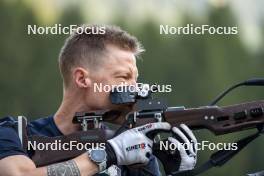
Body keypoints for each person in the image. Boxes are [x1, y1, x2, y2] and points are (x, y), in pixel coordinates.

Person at [0, 25, 197, 176]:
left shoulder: (130, 149)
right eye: (123, 77)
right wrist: (107, 155)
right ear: (82, 79)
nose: (135, 88)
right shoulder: (13, 134)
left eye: (135, 79)